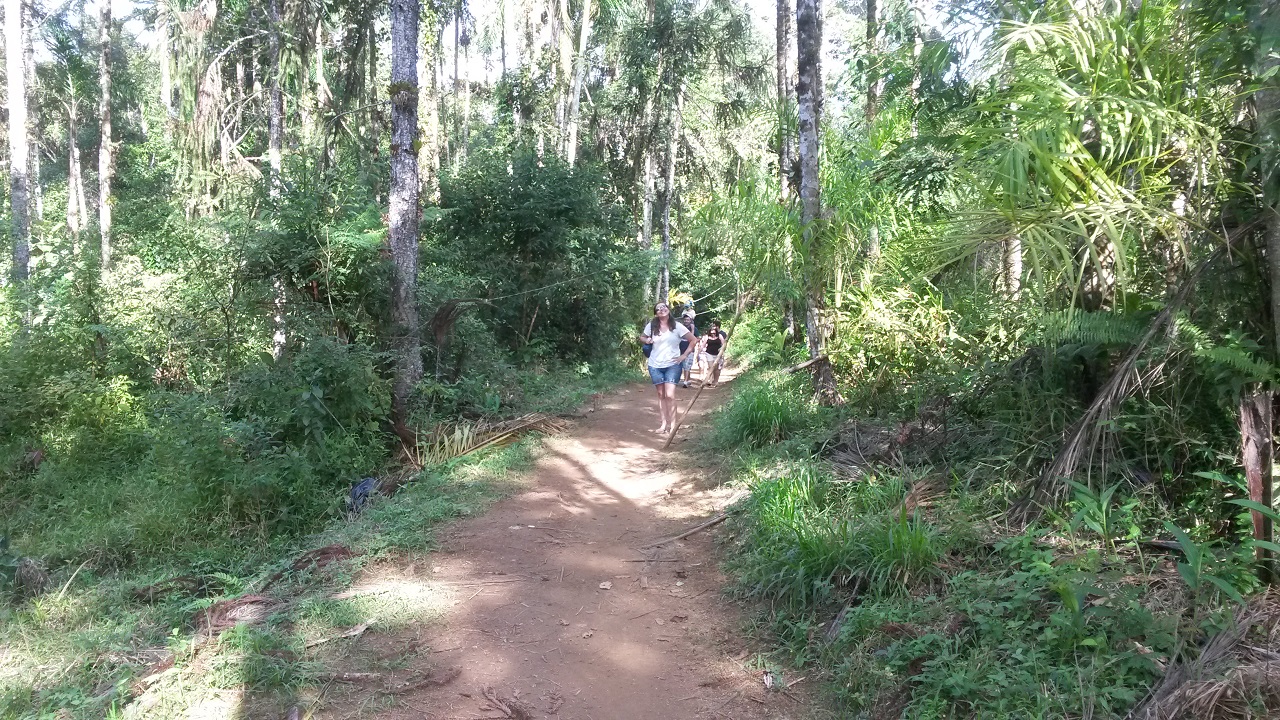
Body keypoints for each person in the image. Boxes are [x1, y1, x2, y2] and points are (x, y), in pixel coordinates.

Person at [639, 302, 697, 434]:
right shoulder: (652, 325)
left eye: (663, 307)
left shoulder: (677, 326)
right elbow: (642, 337)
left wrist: (683, 356)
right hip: (655, 365)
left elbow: (693, 340)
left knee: (670, 395)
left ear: (668, 309)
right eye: (658, 309)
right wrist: (647, 340)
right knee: (661, 395)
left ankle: (673, 425)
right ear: (656, 313)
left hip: (673, 365)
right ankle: (663, 424)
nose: (661, 310)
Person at [698, 321, 729, 388]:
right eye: (711, 333)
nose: (713, 334)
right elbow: (703, 345)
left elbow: (724, 344)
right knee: (711, 366)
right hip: (709, 353)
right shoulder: (707, 337)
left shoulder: (720, 336)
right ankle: (709, 380)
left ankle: (715, 381)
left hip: (718, 354)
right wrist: (699, 352)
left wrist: (721, 349)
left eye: (714, 333)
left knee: (716, 368)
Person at [679, 308, 698, 387]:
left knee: (687, 366)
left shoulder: (694, 329)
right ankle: (688, 379)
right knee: (683, 366)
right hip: (680, 350)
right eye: (685, 320)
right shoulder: (680, 328)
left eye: (688, 320)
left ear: (691, 320)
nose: (686, 321)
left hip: (690, 350)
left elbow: (695, 339)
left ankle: (685, 381)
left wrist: (692, 329)